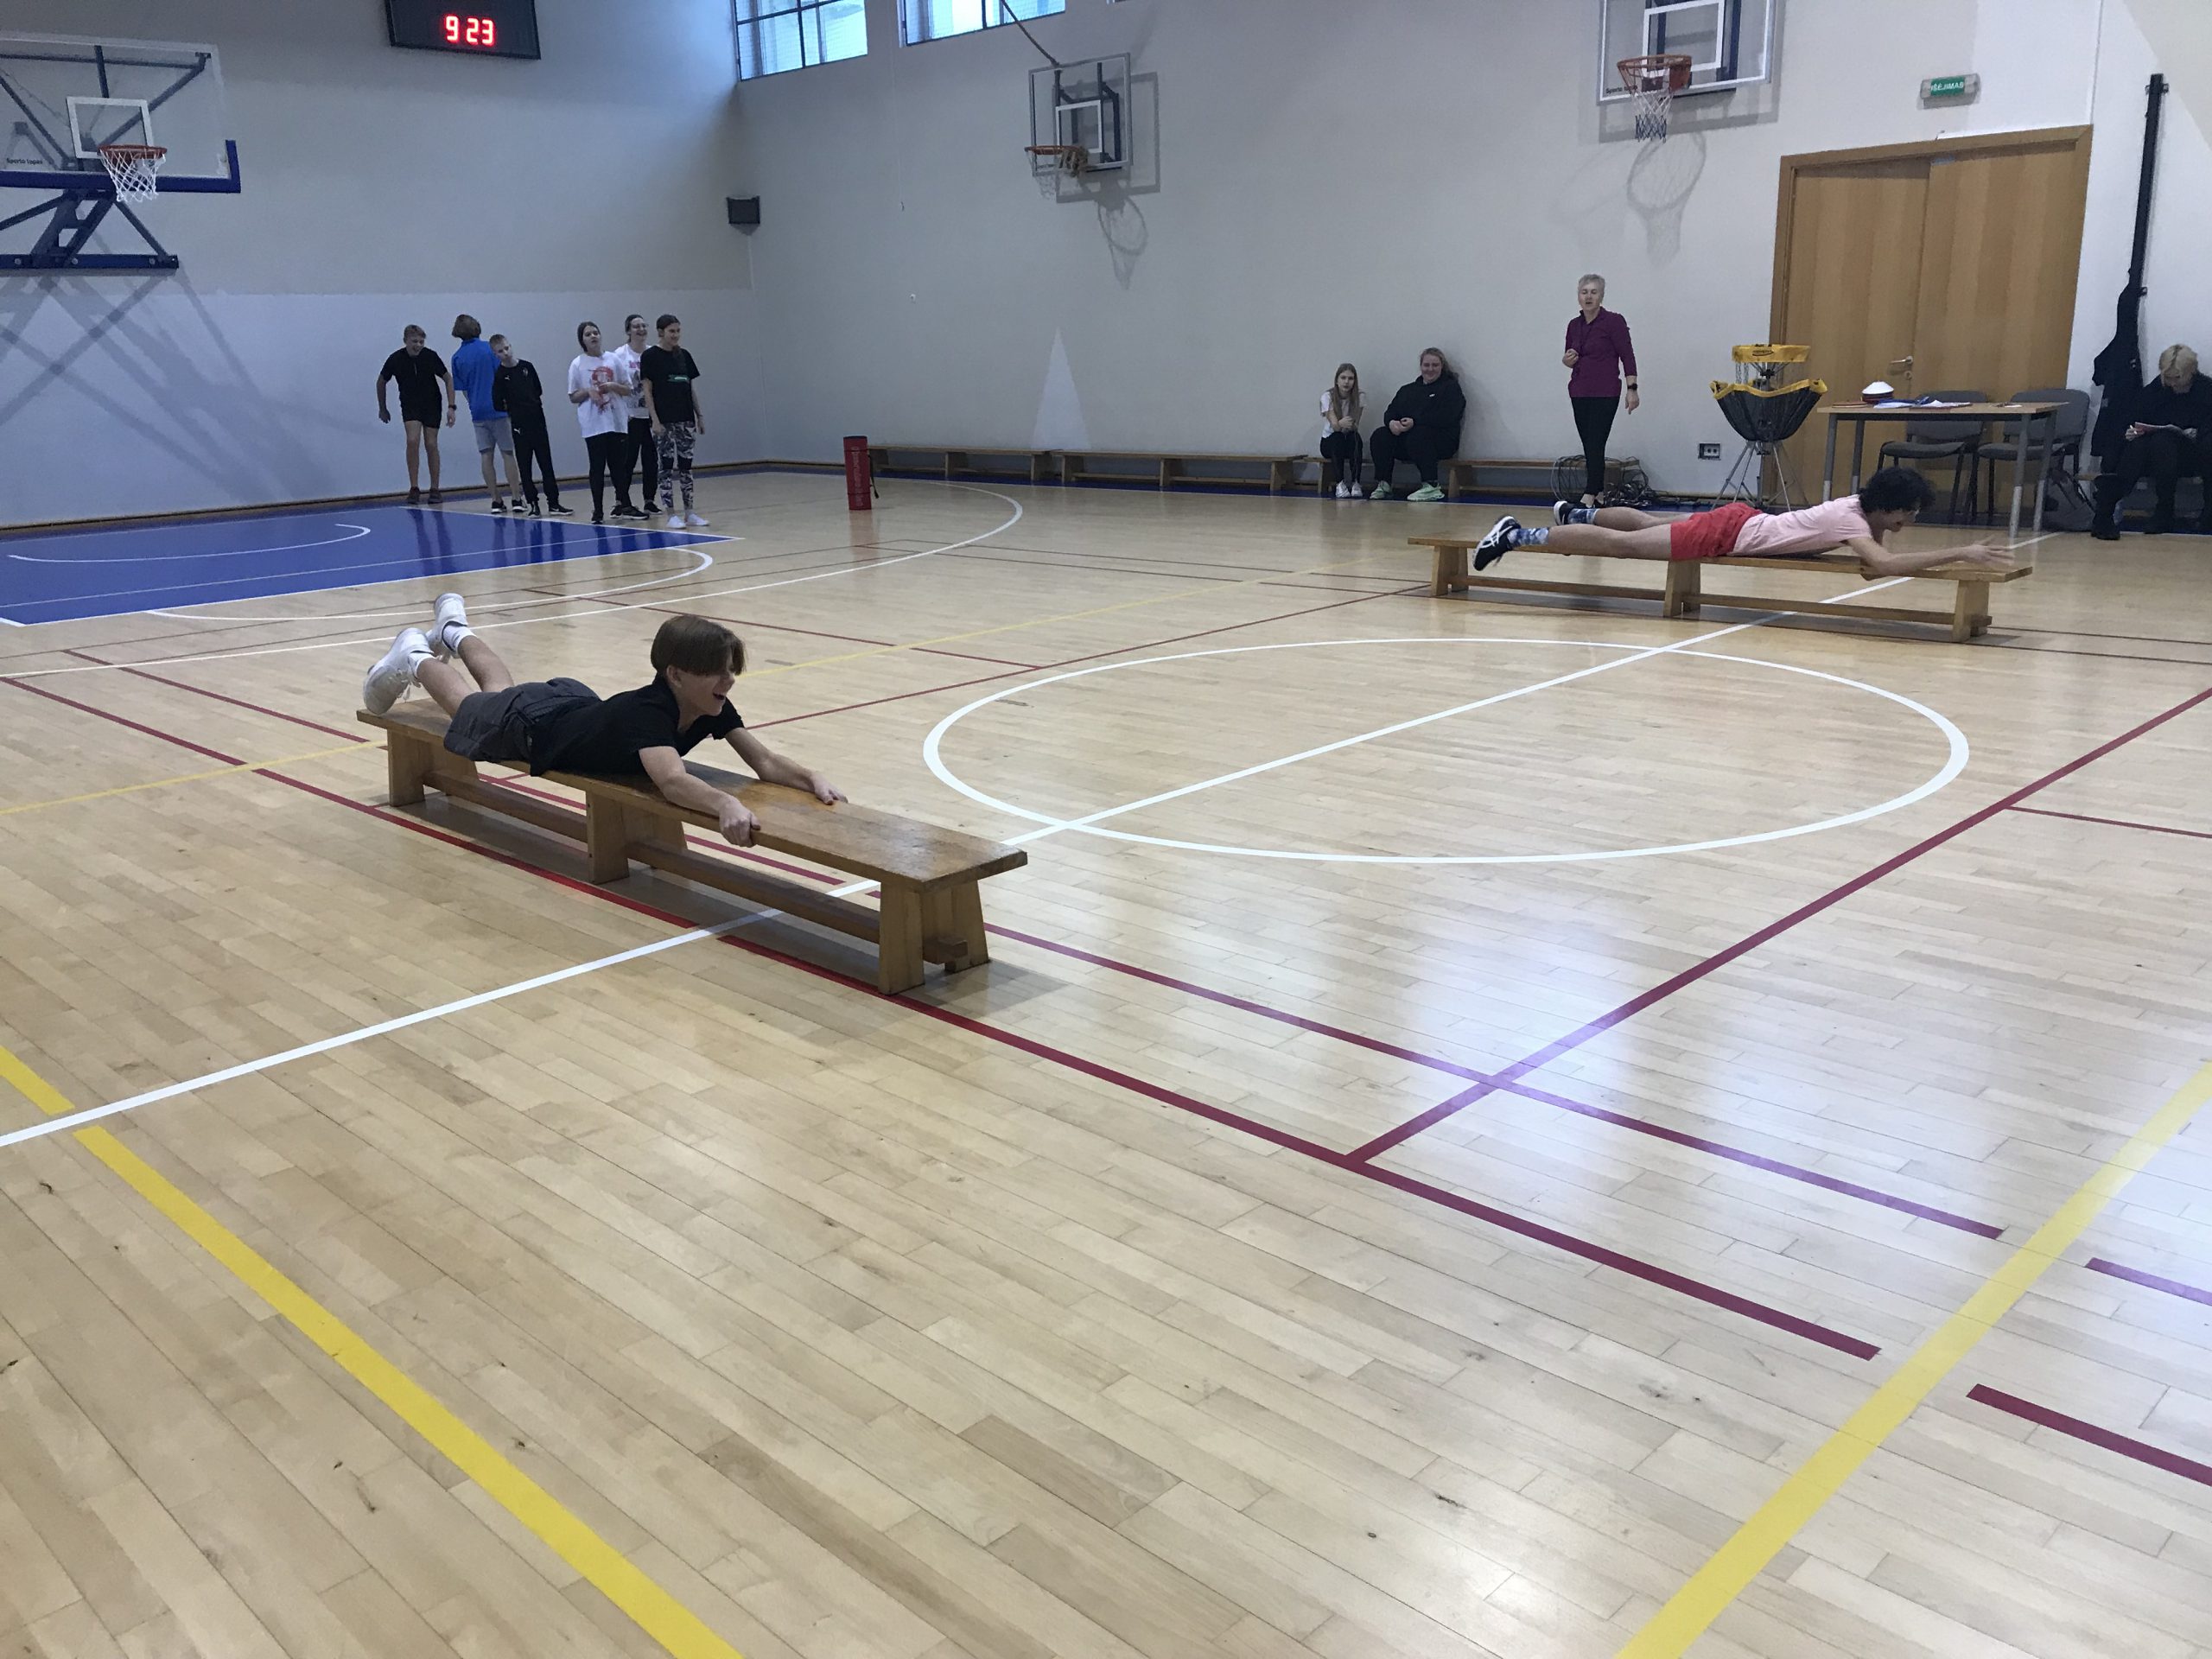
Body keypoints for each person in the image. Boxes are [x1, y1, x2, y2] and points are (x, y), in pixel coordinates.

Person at [360, 603, 842, 847]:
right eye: (716, 672)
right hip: (534, 727)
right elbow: (673, 782)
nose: (728, 681)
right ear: (675, 675)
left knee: (495, 694)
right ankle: (416, 654)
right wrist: (724, 803)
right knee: (470, 705)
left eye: (731, 671)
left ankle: (453, 630)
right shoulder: (650, 713)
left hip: (573, 704)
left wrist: (810, 778)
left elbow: (764, 761)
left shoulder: (710, 704)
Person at [1471, 465, 2014, 576]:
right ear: (1890, 506)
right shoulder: (1855, 522)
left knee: (1641, 528)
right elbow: (1884, 567)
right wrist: (1962, 552)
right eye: (1909, 512)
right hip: (1731, 532)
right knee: (1624, 545)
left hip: (1741, 524)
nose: (1910, 520)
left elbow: (1876, 565)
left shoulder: (1859, 511)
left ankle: (1577, 513)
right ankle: (1517, 535)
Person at [2093, 344, 2212, 538]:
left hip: (2194, 453)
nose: (2172, 383)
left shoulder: (2206, 391)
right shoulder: (2157, 389)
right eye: (2168, 377)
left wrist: (2195, 433)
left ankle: (2160, 509)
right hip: (2156, 452)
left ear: (2191, 372)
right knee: (2139, 445)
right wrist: (2131, 432)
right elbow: (2133, 416)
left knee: (2163, 442)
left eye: (2177, 378)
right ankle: (2106, 509)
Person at [1564, 274, 1639, 507]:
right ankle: (1598, 494)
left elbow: (1627, 356)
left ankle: (1589, 492)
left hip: (1605, 391)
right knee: (1589, 444)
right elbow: (1569, 357)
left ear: (1601, 296)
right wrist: (1567, 360)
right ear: (1578, 296)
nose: (1588, 296)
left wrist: (1632, 389)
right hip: (1579, 391)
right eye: (1584, 292)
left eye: (1593, 292)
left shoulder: (1613, 322)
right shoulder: (1574, 325)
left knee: (1596, 441)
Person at [1369, 348, 1465, 502]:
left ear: (1442, 366)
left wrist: (1415, 422)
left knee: (1419, 433)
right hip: (1409, 441)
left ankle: (1431, 485)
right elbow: (1391, 411)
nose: (1430, 369)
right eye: (1426, 365)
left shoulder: (1450, 388)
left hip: (1440, 442)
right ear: (1421, 366)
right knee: (1381, 435)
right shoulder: (1408, 390)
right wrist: (1392, 423)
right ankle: (1384, 484)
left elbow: (1447, 416)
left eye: (1435, 365)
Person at [639, 314, 708, 528]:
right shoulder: (650, 356)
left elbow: (690, 388)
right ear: (661, 332)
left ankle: (690, 512)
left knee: (686, 467)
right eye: (671, 331)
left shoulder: (684, 356)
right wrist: (655, 420)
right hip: (664, 421)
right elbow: (647, 391)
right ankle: (671, 514)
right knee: (666, 467)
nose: (675, 335)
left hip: (685, 419)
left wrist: (699, 415)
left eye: (678, 331)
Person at [491, 335, 570, 517]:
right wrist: (513, 410)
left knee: (546, 463)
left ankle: (554, 502)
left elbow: (537, 389)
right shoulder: (500, 375)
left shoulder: (527, 367)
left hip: (537, 420)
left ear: (511, 346)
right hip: (519, 425)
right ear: (496, 354)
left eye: (506, 348)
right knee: (525, 466)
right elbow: (497, 403)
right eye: (500, 351)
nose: (505, 353)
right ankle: (533, 503)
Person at [376, 325, 454, 505]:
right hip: (410, 405)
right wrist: (382, 407)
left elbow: (448, 378)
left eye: (421, 342)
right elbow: (381, 382)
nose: (418, 345)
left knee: (431, 444)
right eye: (414, 342)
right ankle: (414, 487)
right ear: (405, 341)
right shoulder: (396, 359)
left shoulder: (430, 356)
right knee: (412, 441)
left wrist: (452, 406)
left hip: (432, 404)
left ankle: (435, 488)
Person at [450, 315, 519, 514]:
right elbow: (504, 374)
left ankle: (496, 500)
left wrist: (474, 403)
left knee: (486, 455)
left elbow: (463, 389)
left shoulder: (457, 357)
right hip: (499, 408)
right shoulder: (490, 349)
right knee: (507, 453)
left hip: (478, 411)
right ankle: (516, 497)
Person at [567, 321, 634, 524]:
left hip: (616, 421)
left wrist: (613, 385)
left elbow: (628, 389)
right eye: (588, 334)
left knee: (619, 467)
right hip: (594, 424)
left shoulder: (613, 359)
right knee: (597, 467)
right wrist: (589, 391)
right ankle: (598, 510)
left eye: (595, 332)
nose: (593, 336)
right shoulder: (577, 364)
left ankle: (624, 504)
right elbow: (573, 396)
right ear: (582, 340)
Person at [610, 314, 657, 521]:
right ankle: (621, 500)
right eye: (636, 326)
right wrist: (621, 413)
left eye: (643, 326)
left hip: (650, 416)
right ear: (628, 331)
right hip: (629, 416)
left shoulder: (652, 353)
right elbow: (615, 385)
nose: (641, 329)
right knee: (627, 461)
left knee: (651, 460)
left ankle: (650, 500)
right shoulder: (620, 355)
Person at [1319, 364, 1365, 499]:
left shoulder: (1360, 396)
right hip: (1330, 442)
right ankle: (1340, 483)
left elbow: (1355, 424)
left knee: (1355, 438)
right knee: (1337, 438)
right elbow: (1335, 426)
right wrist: (1341, 424)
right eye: (1343, 378)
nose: (1346, 382)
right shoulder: (1328, 396)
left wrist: (1350, 425)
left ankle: (1356, 482)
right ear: (1337, 380)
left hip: (1348, 439)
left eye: (1350, 379)